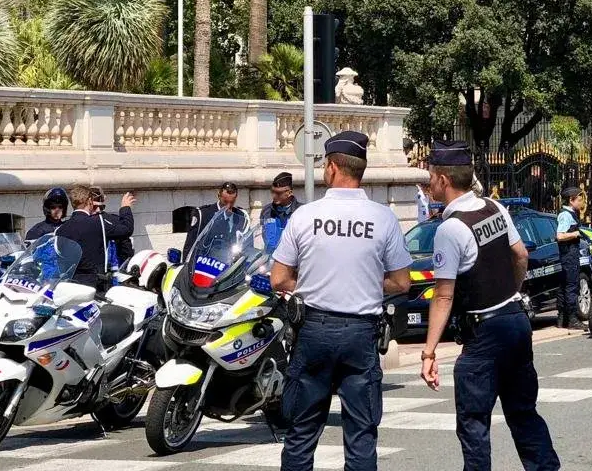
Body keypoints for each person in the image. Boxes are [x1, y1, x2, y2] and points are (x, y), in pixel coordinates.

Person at [270, 131, 413, 471]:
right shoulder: (383, 218)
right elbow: (401, 282)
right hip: (360, 334)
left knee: (301, 432)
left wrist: (316, 282)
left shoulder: (305, 216)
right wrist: (362, 281)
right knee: (361, 434)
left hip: (314, 330)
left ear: (333, 167)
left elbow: (278, 278)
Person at [419, 140, 561, 471]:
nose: (428, 185)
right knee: (523, 412)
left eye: (430, 177)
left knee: (474, 424)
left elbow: (443, 295)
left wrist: (428, 352)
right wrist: (510, 291)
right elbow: (521, 255)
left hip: (484, 334)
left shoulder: (450, 229)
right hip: (515, 320)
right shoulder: (495, 208)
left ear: (443, 179)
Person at [57, 185, 135, 293]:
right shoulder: (99, 222)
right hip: (96, 286)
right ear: (89, 201)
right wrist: (125, 208)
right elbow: (126, 229)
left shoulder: (61, 229)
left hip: (71, 286)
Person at [183, 181, 250, 251]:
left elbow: (248, 246)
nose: (228, 206)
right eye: (225, 202)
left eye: (232, 202)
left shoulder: (242, 217)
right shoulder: (203, 214)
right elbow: (190, 246)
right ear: (219, 196)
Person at [554, 187, 585, 330]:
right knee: (572, 286)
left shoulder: (572, 213)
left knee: (564, 286)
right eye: (579, 200)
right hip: (569, 255)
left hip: (569, 254)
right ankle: (572, 319)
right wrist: (576, 234)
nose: (582, 203)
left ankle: (562, 319)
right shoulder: (566, 215)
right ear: (571, 200)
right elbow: (560, 236)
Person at [90, 186, 136, 268]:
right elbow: (127, 251)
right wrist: (125, 208)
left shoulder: (80, 222)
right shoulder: (114, 221)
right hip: (111, 272)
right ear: (104, 199)